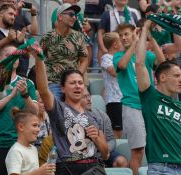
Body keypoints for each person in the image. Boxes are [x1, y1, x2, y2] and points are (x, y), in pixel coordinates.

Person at [136, 19, 181, 175]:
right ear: (162, 78)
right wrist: (146, 29)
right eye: (176, 76)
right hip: (160, 168)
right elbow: (140, 63)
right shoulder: (150, 97)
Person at [32, 44, 109, 174]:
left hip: (93, 167)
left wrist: (96, 139)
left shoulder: (93, 116)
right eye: (72, 83)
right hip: (68, 168)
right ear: (62, 88)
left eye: (80, 83)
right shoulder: (58, 108)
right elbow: (43, 90)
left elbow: (106, 154)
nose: (77, 86)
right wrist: (39, 59)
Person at [113, 23, 165, 175]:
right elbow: (122, 65)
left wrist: (150, 38)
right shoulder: (118, 56)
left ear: (134, 33)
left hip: (149, 106)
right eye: (121, 35)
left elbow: (162, 63)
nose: (123, 38)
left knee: (152, 148)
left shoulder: (145, 55)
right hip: (131, 106)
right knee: (138, 151)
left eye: (126, 34)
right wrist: (135, 42)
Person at [0, 45, 38, 175]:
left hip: (21, 143)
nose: (13, 59)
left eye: (15, 55)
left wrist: (25, 95)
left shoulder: (27, 83)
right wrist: (10, 96)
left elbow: (35, 112)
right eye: (8, 55)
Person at [40, 3, 89, 99]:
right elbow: (39, 58)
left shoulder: (79, 36)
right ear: (60, 17)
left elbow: (84, 60)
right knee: (55, 112)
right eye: (71, 14)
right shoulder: (48, 37)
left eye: (75, 15)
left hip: (73, 84)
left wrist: (76, 77)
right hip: (53, 83)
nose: (74, 18)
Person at [0, 0, 38, 76]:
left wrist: (33, 14)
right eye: (9, 2)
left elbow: (34, 32)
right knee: (0, 85)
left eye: (13, 2)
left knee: (22, 85)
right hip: (2, 69)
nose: (12, 4)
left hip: (21, 67)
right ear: (1, 2)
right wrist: (15, 9)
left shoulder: (21, 17)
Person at [81, 89, 128, 168]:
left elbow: (111, 140)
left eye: (89, 95)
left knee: (121, 161)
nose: (88, 99)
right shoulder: (73, 116)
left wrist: (106, 150)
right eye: (84, 97)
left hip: (104, 150)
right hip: (85, 154)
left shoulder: (101, 114)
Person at [5, 107, 56, 175]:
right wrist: (39, 172)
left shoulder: (33, 149)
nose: (38, 129)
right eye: (34, 125)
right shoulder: (16, 151)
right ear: (21, 127)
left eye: (38, 126)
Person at [100, 32, 123, 139]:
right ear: (115, 44)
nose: (123, 41)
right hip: (114, 101)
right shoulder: (106, 57)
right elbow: (114, 72)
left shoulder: (122, 57)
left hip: (125, 100)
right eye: (120, 40)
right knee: (116, 132)